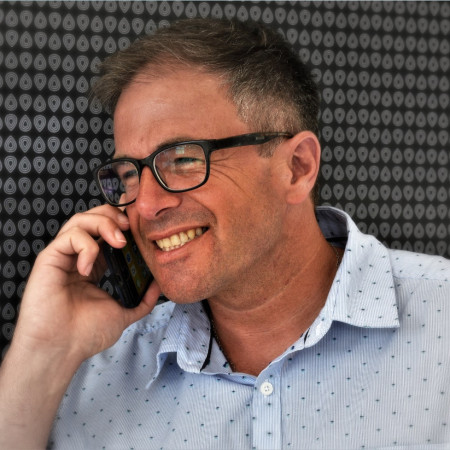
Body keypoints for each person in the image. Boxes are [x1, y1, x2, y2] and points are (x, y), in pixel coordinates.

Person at [0, 17, 449, 450]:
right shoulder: (85, 374)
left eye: (183, 159)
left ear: (297, 168)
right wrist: (42, 351)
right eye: (129, 173)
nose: (146, 206)